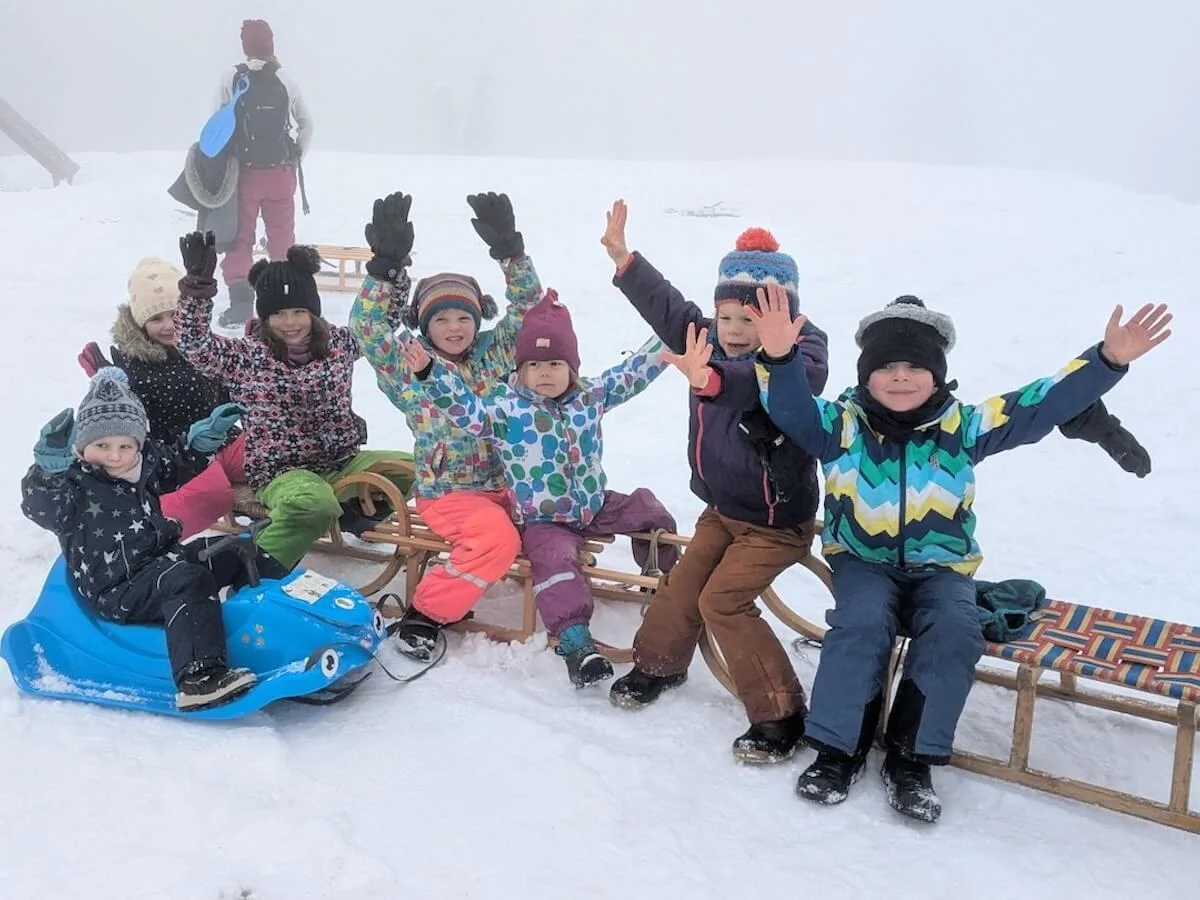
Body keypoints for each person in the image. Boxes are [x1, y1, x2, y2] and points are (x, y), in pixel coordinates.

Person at [753, 286, 1172, 821]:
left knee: (955, 630)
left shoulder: (963, 427)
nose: (901, 376)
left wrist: (1107, 361)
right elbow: (788, 408)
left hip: (942, 568)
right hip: (863, 561)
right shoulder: (841, 426)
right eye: (887, 366)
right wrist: (780, 357)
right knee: (860, 624)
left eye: (914, 365)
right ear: (865, 376)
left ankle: (911, 759)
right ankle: (839, 750)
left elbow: (1041, 403)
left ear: (936, 373)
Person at [601, 200, 829, 764]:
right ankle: (658, 665)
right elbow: (669, 309)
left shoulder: (803, 352)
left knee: (722, 602)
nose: (732, 330)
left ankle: (779, 713)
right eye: (726, 317)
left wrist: (710, 378)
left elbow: (755, 384)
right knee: (683, 587)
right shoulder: (706, 336)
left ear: (779, 319)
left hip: (776, 523)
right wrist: (626, 261)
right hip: (722, 510)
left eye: (747, 321)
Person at [406, 290, 677, 685]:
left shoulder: (589, 397)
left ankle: (670, 581)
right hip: (545, 519)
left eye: (555, 363)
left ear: (572, 367)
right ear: (521, 369)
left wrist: (673, 336)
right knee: (556, 568)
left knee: (649, 510)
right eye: (534, 365)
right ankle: (576, 643)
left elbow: (633, 373)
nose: (545, 373)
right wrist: (432, 373)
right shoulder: (506, 409)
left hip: (593, 503)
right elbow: (466, 408)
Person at [349, 191, 545, 658]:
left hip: (513, 484)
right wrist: (386, 267)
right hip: (451, 493)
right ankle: (427, 612)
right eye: (441, 318)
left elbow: (531, 310)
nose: (454, 327)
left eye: (464, 317)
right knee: (495, 542)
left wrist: (511, 253)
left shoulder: (497, 352)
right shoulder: (410, 363)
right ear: (424, 324)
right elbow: (368, 328)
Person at [20, 367, 270, 710]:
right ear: (80, 446)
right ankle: (199, 677)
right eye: (102, 444)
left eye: (126, 444)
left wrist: (203, 438)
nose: (115, 455)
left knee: (235, 550)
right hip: (116, 587)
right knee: (188, 579)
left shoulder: (143, 465)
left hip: (160, 564)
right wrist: (48, 471)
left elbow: (178, 461)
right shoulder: (73, 486)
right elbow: (42, 508)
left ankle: (265, 632)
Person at [174, 231, 414, 571]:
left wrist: (392, 271)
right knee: (311, 503)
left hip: (342, 462)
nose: (290, 323)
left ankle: (348, 515)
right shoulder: (247, 357)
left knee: (415, 469)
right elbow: (194, 346)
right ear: (266, 318)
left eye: (299, 311)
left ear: (313, 311)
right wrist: (197, 288)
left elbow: (381, 325)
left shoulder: (338, 345)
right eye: (279, 314)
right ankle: (258, 566)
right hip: (283, 473)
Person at [77, 256, 244, 538]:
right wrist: (109, 381)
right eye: (156, 318)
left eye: (175, 314)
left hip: (225, 439)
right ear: (141, 323)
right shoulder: (131, 365)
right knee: (214, 494)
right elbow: (126, 424)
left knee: (269, 453)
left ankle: (303, 505)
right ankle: (151, 533)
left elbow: (229, 385)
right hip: (181, 455)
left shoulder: (201, 347)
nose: (169, 325)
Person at [214, 19, 314, 327]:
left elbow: (216, 124)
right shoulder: (284, 79)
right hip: (281, 173)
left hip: (244, 173)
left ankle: (241, 304)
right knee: (282, 235)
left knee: (239, 237)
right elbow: (306, 123)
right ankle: (283, 298)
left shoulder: (233, 76)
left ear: (245, 47)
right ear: (271, 45)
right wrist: (295, 153)